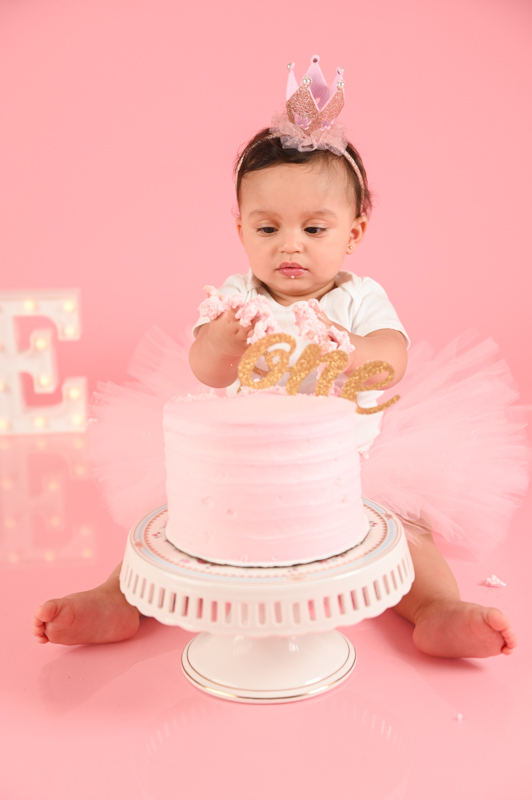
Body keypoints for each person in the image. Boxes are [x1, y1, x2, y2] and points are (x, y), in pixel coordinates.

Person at [33, 56, 526, 657]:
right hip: (242, 464)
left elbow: (392, 356)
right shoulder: (237, 298)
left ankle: (437, 608)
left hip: (355, 457)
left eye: (314, 229)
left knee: (403, 533)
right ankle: (119, 597)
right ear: (240, 229)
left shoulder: (358, 297)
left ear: (354, 232)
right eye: (268, 229)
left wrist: (354, 354)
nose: (290, 244)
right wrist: (222, 340)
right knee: (178, 519)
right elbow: (205, 369)